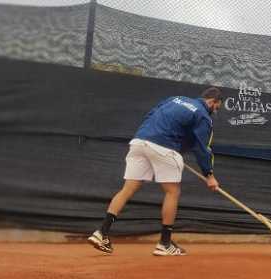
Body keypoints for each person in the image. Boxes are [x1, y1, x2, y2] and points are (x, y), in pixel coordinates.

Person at [88, 87, 223, 256]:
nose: (215, 111)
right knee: (172, 192)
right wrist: (209, 175)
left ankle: (101, 232)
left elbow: (151, 115)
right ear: (213, 102)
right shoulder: (203, 116)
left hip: (140, 141)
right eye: (217, 108)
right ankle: (165, 243)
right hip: (164, 146)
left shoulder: (176, 98)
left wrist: (151, 140)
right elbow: (202, 147)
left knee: (128, 188)